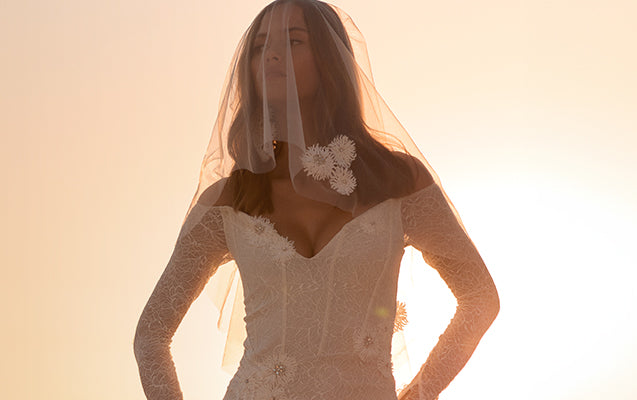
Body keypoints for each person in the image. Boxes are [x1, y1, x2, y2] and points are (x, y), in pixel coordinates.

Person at [131, 1, 501, 399]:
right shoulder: (227, 201)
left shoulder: (400, 182)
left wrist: (421, 393)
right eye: (260, 47)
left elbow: (480, 298)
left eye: (293, 41)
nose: (272, 54)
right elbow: (151, 335)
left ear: (330, 59)